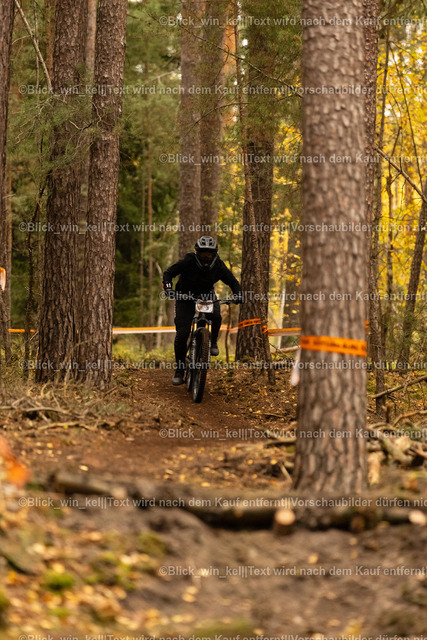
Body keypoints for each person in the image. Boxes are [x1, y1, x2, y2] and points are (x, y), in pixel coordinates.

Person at [163, 236, 243, 385]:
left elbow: (233, 282)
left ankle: (212, 343)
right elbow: (168, 273)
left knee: (216, 316)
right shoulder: (188, 260)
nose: (206, 257)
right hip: (184, 295)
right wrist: (168, 288)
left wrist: (238, 295)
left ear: (214, 254)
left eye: (209, 254)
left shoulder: (218, 265)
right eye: (202, 254)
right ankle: (179, 370)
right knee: (182, 333)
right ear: (197, 253)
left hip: (207, 295)